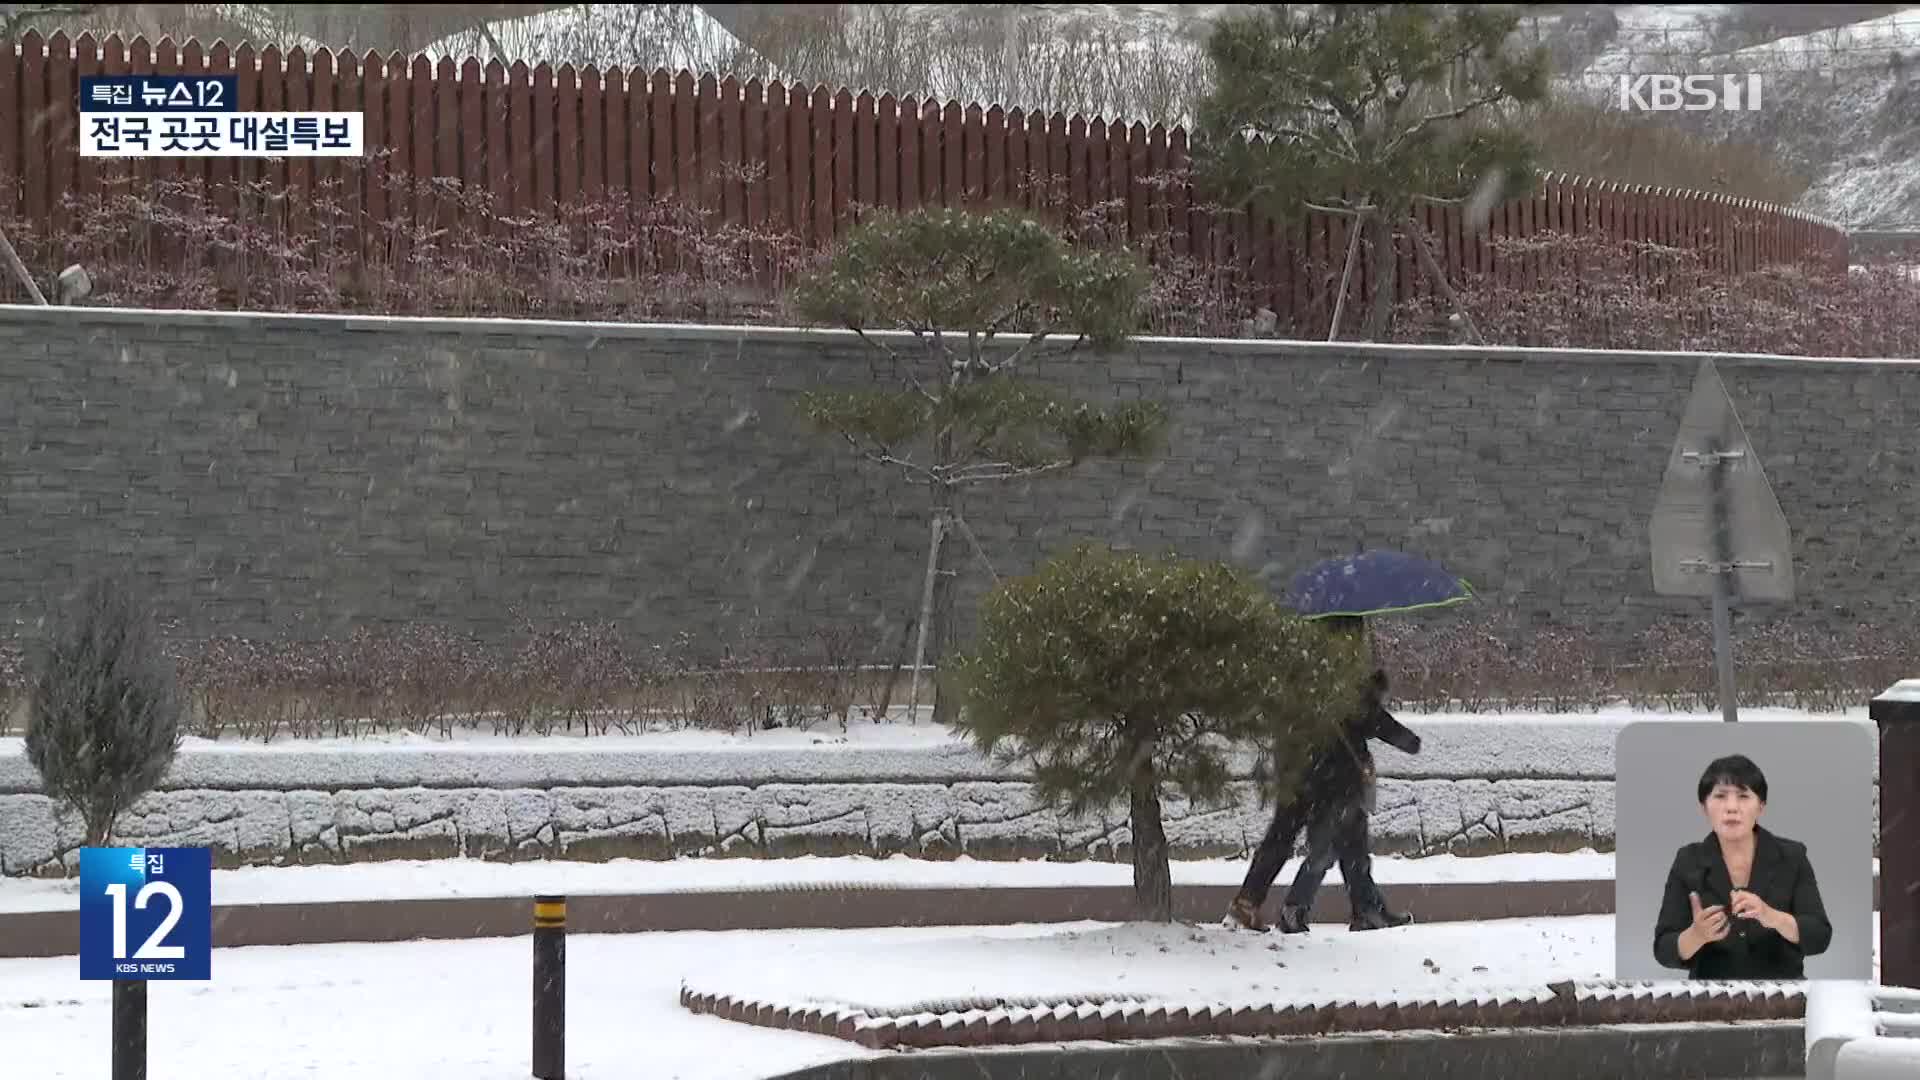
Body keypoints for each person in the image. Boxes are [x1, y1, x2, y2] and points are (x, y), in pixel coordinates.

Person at [1226, 617, 1421, 933]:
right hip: (1335, 777)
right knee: (1338, 847)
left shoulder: (1301, 670)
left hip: (1296, 769)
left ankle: (1249, 902)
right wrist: (1402, 731)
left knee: (1285, 839)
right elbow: (1367, 718)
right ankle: (1315, 910)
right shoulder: (1343, 675)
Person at [1652, 753, 1833, 980]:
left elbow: (1819, 936)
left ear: (1761, 806)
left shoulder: (1792, 856)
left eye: (1743, 796)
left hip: (1784, 997)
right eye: (1719, 796)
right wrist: (1696, 935)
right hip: (1710, 1000)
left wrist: (1772, 917)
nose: (1731, 807)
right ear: (1704, 807)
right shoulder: (1688, 860)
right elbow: (1663, 949)